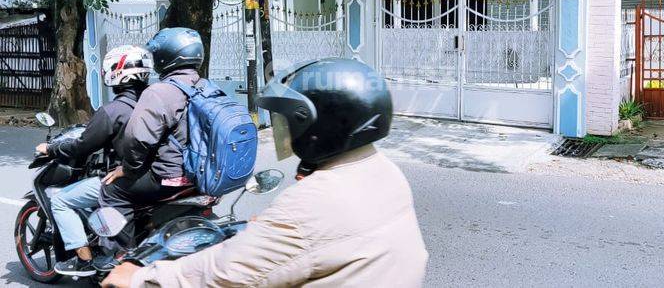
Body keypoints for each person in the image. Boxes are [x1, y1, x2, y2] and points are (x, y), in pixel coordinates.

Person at [102, 57, 429, 288]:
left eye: (288, 121)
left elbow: (225, 272)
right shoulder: (381, 170)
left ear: (317, 125)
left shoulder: (312, 204)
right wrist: (274, 230)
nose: (281, 131)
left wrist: (141, 277)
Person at [34, 45, 153, 277]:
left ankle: (83, 260)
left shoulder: (113, 111)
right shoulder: (154, 103)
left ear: (116, 72)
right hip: (156, 176)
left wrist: (51, 148)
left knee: (60, 201)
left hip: (125, 179)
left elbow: (82, 145)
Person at [99, 27, 204, 247]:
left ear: (166, 58)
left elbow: (137, 140)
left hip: (171, 177)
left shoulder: (160, 92)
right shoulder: (206, 87)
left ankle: (121, 255)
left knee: (111, 190)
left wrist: (127, 169)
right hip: (202, 174)